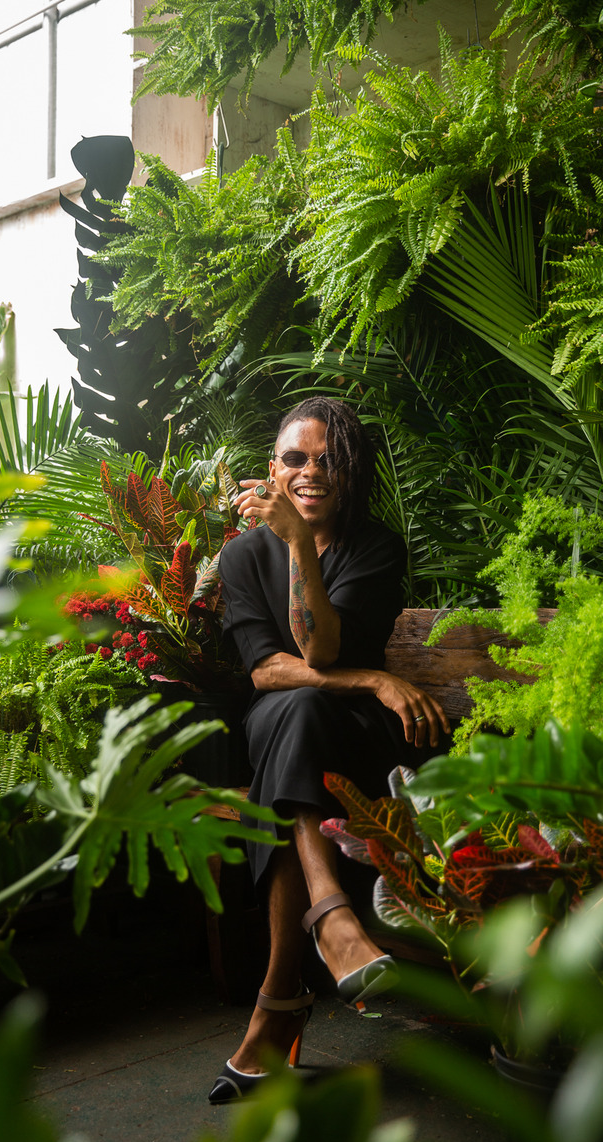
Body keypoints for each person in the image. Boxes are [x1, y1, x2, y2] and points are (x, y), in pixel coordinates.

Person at [209, 396, 449, 1103]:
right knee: (292, 709)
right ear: (271, 471)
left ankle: (282, 997)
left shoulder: (373, 546)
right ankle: (332, 918)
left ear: (348, 473)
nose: (310, 471)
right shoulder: (239, 557)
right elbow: (264, 670)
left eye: (327, 459)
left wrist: (298, 547)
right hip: (300, 724)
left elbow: (313, 649)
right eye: (293, 458)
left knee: (301, 724)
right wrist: (375, 675)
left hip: (358, 741)